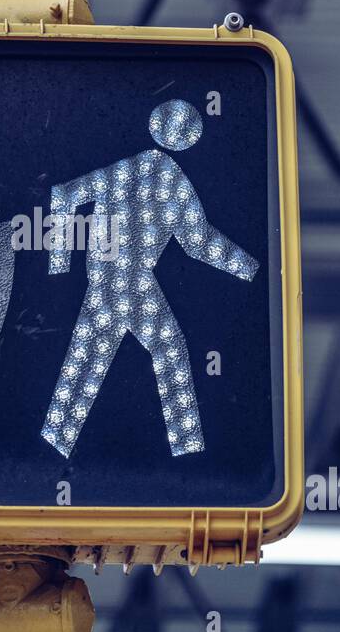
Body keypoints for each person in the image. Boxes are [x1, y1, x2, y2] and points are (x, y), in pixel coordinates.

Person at [41, 98, 258, 458]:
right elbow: (199, 243)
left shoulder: (132, 171)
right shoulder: (171, 180)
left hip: (114, 279)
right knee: (164, 348)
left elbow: (65, 194)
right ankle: (187, 451)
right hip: (127, 281)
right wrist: (247, 268)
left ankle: (55, 440)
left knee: (91, 355)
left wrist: (61, 261)